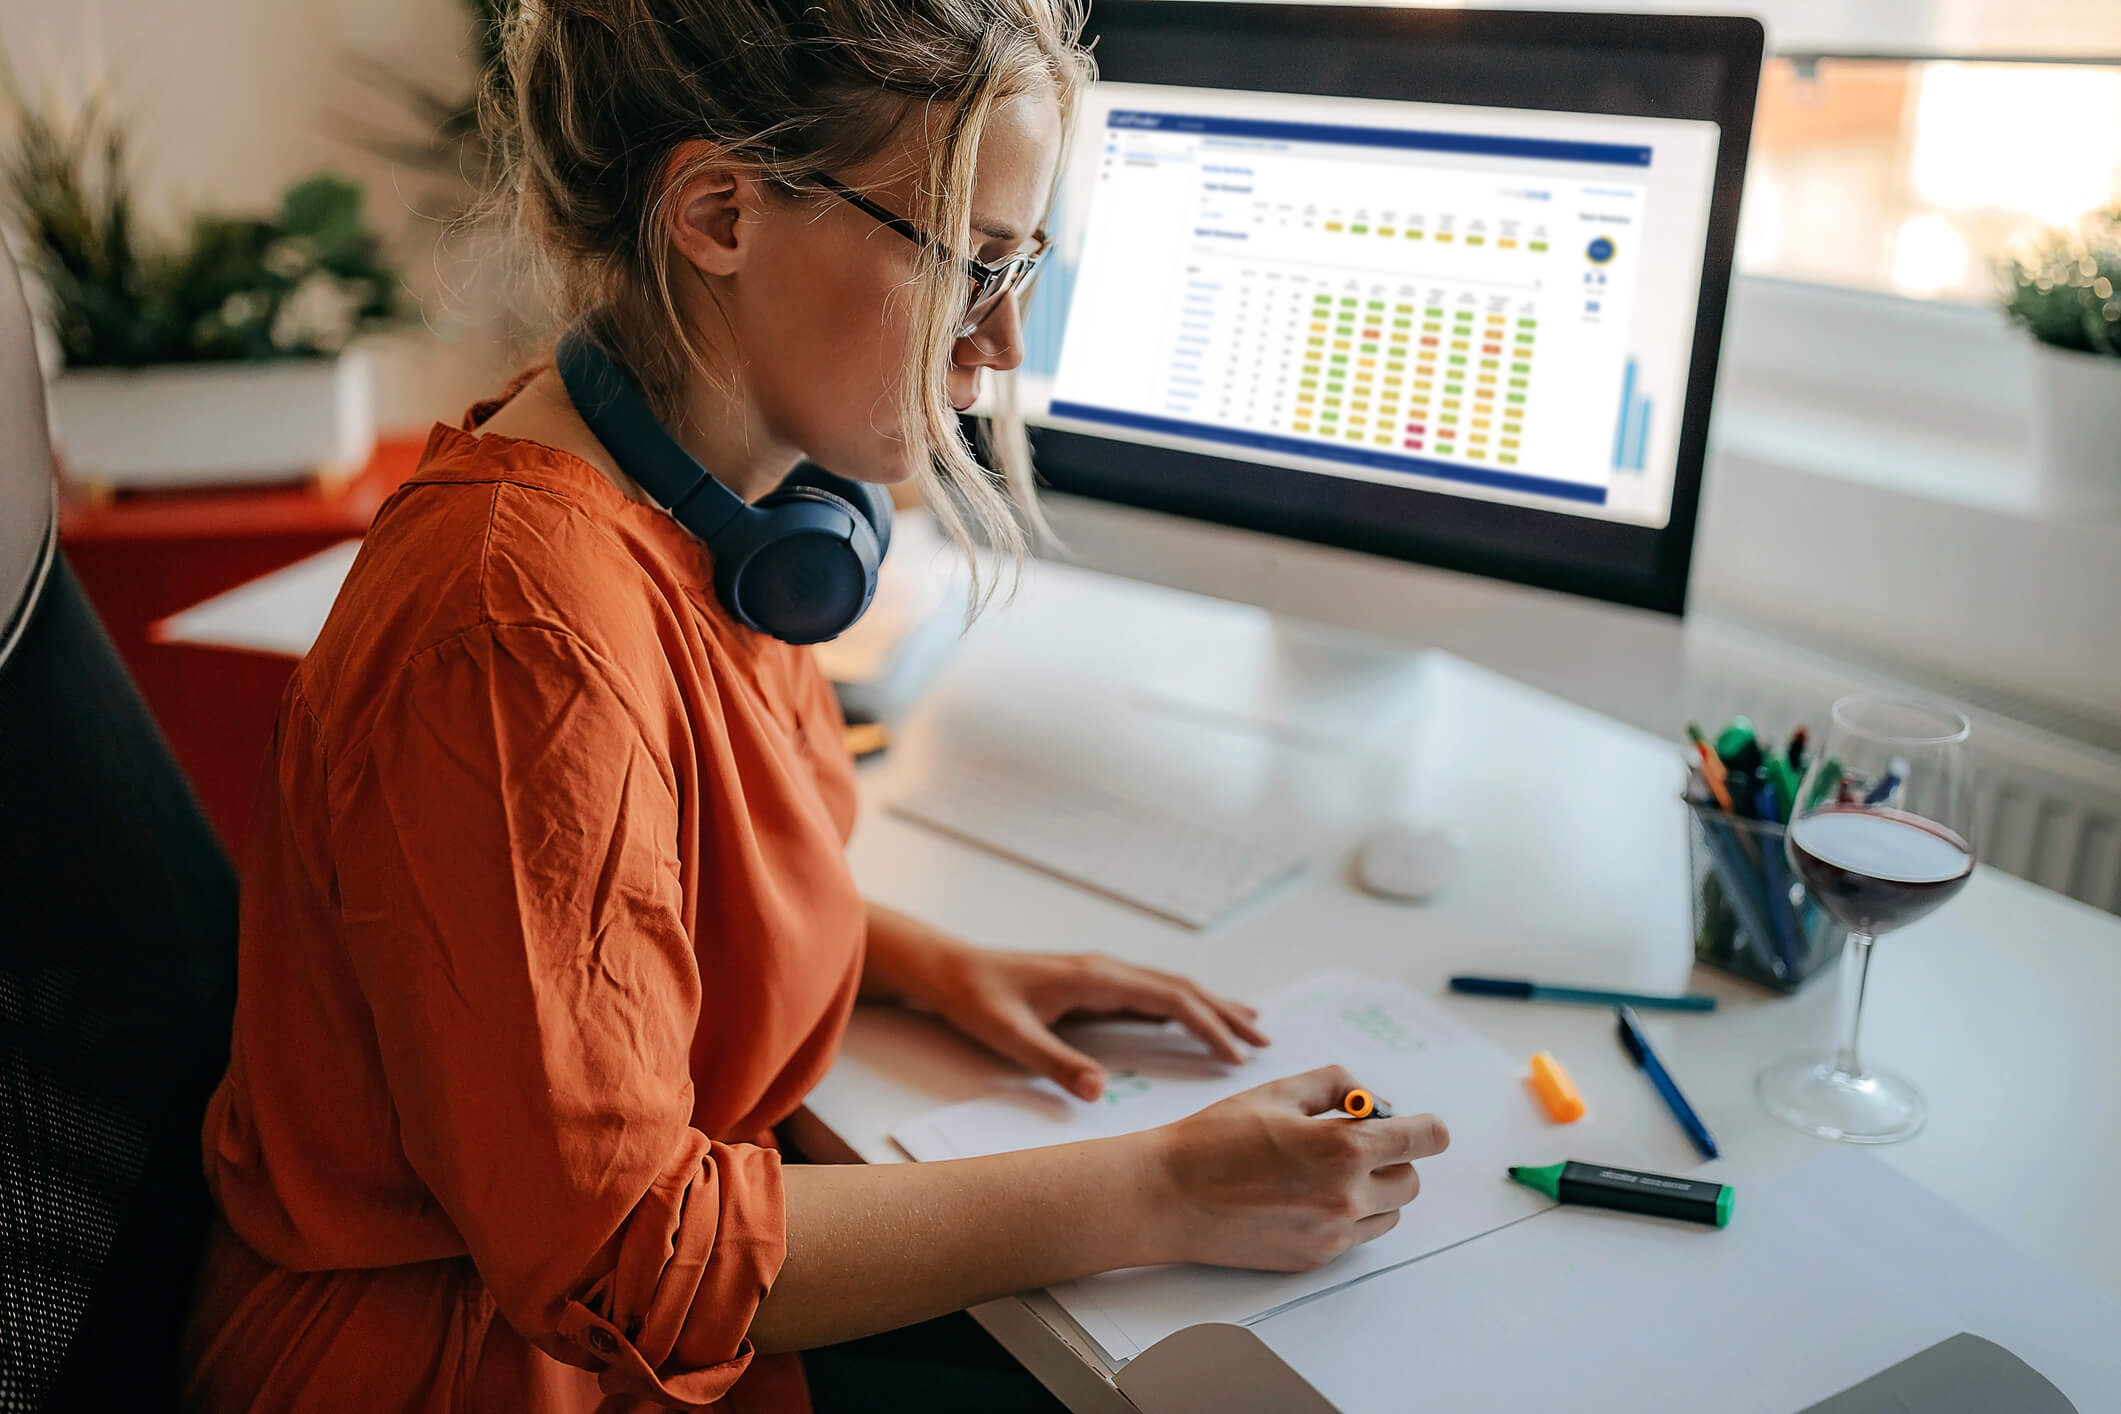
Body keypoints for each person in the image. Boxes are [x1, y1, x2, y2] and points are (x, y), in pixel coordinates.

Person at [181, 0, 1450, 1409]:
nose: (1005, 343)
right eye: (970, 264)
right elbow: (627, 1256)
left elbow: (620, 898)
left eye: (1026, 266)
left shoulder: (705, 499)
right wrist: (1168, 1183)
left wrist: (911, 961)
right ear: (719, 211)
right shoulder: (519, 629)